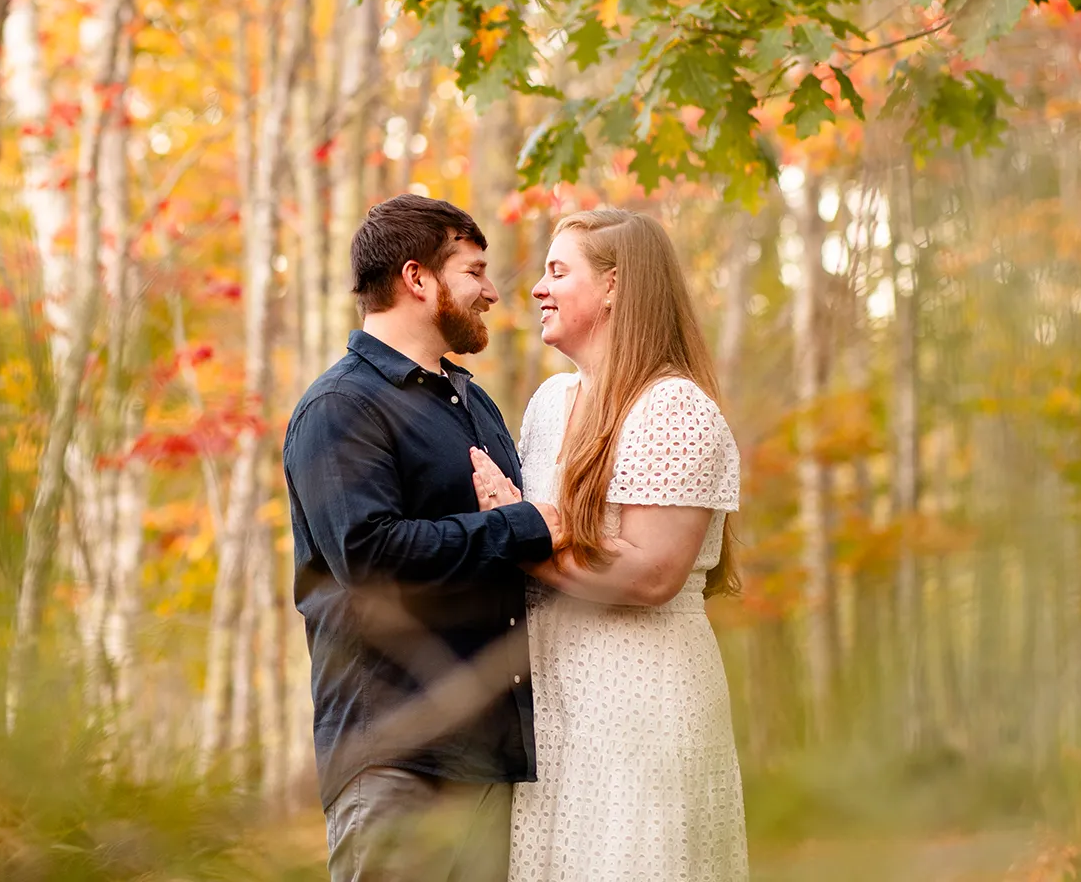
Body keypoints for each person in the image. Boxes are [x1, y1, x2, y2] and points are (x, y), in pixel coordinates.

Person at [284, 194, 568, 882]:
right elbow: (372, 558)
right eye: (474, 272)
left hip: (491, 756)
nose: (493, 292)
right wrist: (526, 525)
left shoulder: (473, 403)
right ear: (418, 279)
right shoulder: (340, 407)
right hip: (395, 762)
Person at [470, 207, 748, 881]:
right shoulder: (551, 402)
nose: (536, 288)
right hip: (557, 715)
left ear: (617, 285)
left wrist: (516, 528)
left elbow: (651, 575)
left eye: (557, 271)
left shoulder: (671, 407)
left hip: (642, 707)